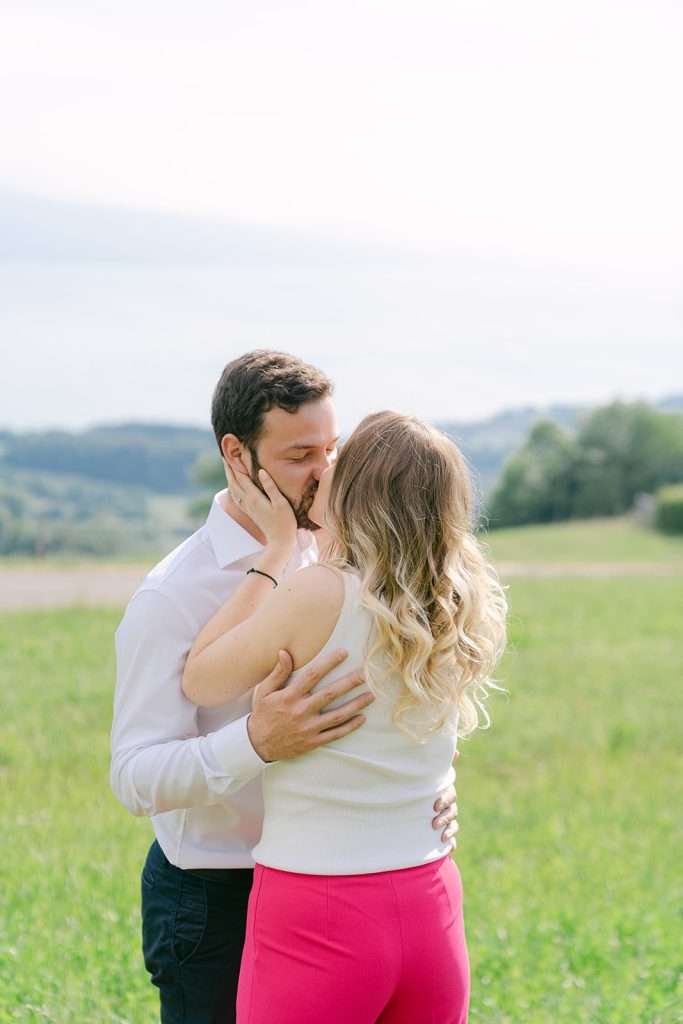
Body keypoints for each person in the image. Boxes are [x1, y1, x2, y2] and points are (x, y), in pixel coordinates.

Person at [110, 351, 459, 1024]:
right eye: (301, 455)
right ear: (237, 457)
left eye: (333, 449)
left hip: (347, 884)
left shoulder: (340, 557)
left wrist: (433, 795)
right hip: (213, 900)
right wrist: (255, 742)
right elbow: (133, 778)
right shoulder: (172, 596)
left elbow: (405, 696)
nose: (326, 473)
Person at [181, 409, 508, 1023]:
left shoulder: (321, 590)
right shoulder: (456, 596)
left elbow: (202, 677)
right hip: (429, 896)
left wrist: (278, 551)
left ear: (356, 488)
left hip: (320, 909)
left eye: (339, 458)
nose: (322, 469)